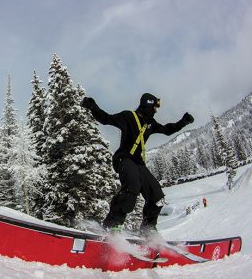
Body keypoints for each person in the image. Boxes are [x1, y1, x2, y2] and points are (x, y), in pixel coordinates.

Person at [81, 93, 194, 234]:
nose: (156, 111)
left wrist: (183, 122)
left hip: (138, 163)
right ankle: (112, 224)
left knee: (157, 195)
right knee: (132, 186)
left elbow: (167, 130)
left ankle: (148, 229)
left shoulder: (150, 124)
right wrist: (93, 107)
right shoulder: (128, 117)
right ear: (148, 105)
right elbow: (106, 119)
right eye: (154, 107)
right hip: (124, 159)